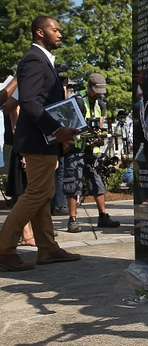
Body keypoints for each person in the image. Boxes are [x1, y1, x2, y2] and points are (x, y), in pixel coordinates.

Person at [0, 16, 81, 271]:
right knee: (36, 194)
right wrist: (58, 130)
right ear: (39, 32)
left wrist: (60, 136)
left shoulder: (42, 60)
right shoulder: (34, 59)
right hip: (37, 139)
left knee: (42, 193)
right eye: (54, 29)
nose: (60, 33)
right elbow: (31, 103)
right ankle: (4, 248)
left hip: (43, 139)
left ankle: (47, 248)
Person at [62, 73, 121, 233]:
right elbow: (67, 122)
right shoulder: (77, 100)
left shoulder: (100, 104)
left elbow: (99, 126)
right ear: (88, 87)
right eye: (95, 90)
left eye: (100, 91)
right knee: (73, 184)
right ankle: (72, 219)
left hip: (91, 150)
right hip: (75, 148)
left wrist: (98, 137)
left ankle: (103, 216)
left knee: (97, 182)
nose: (97, 94)